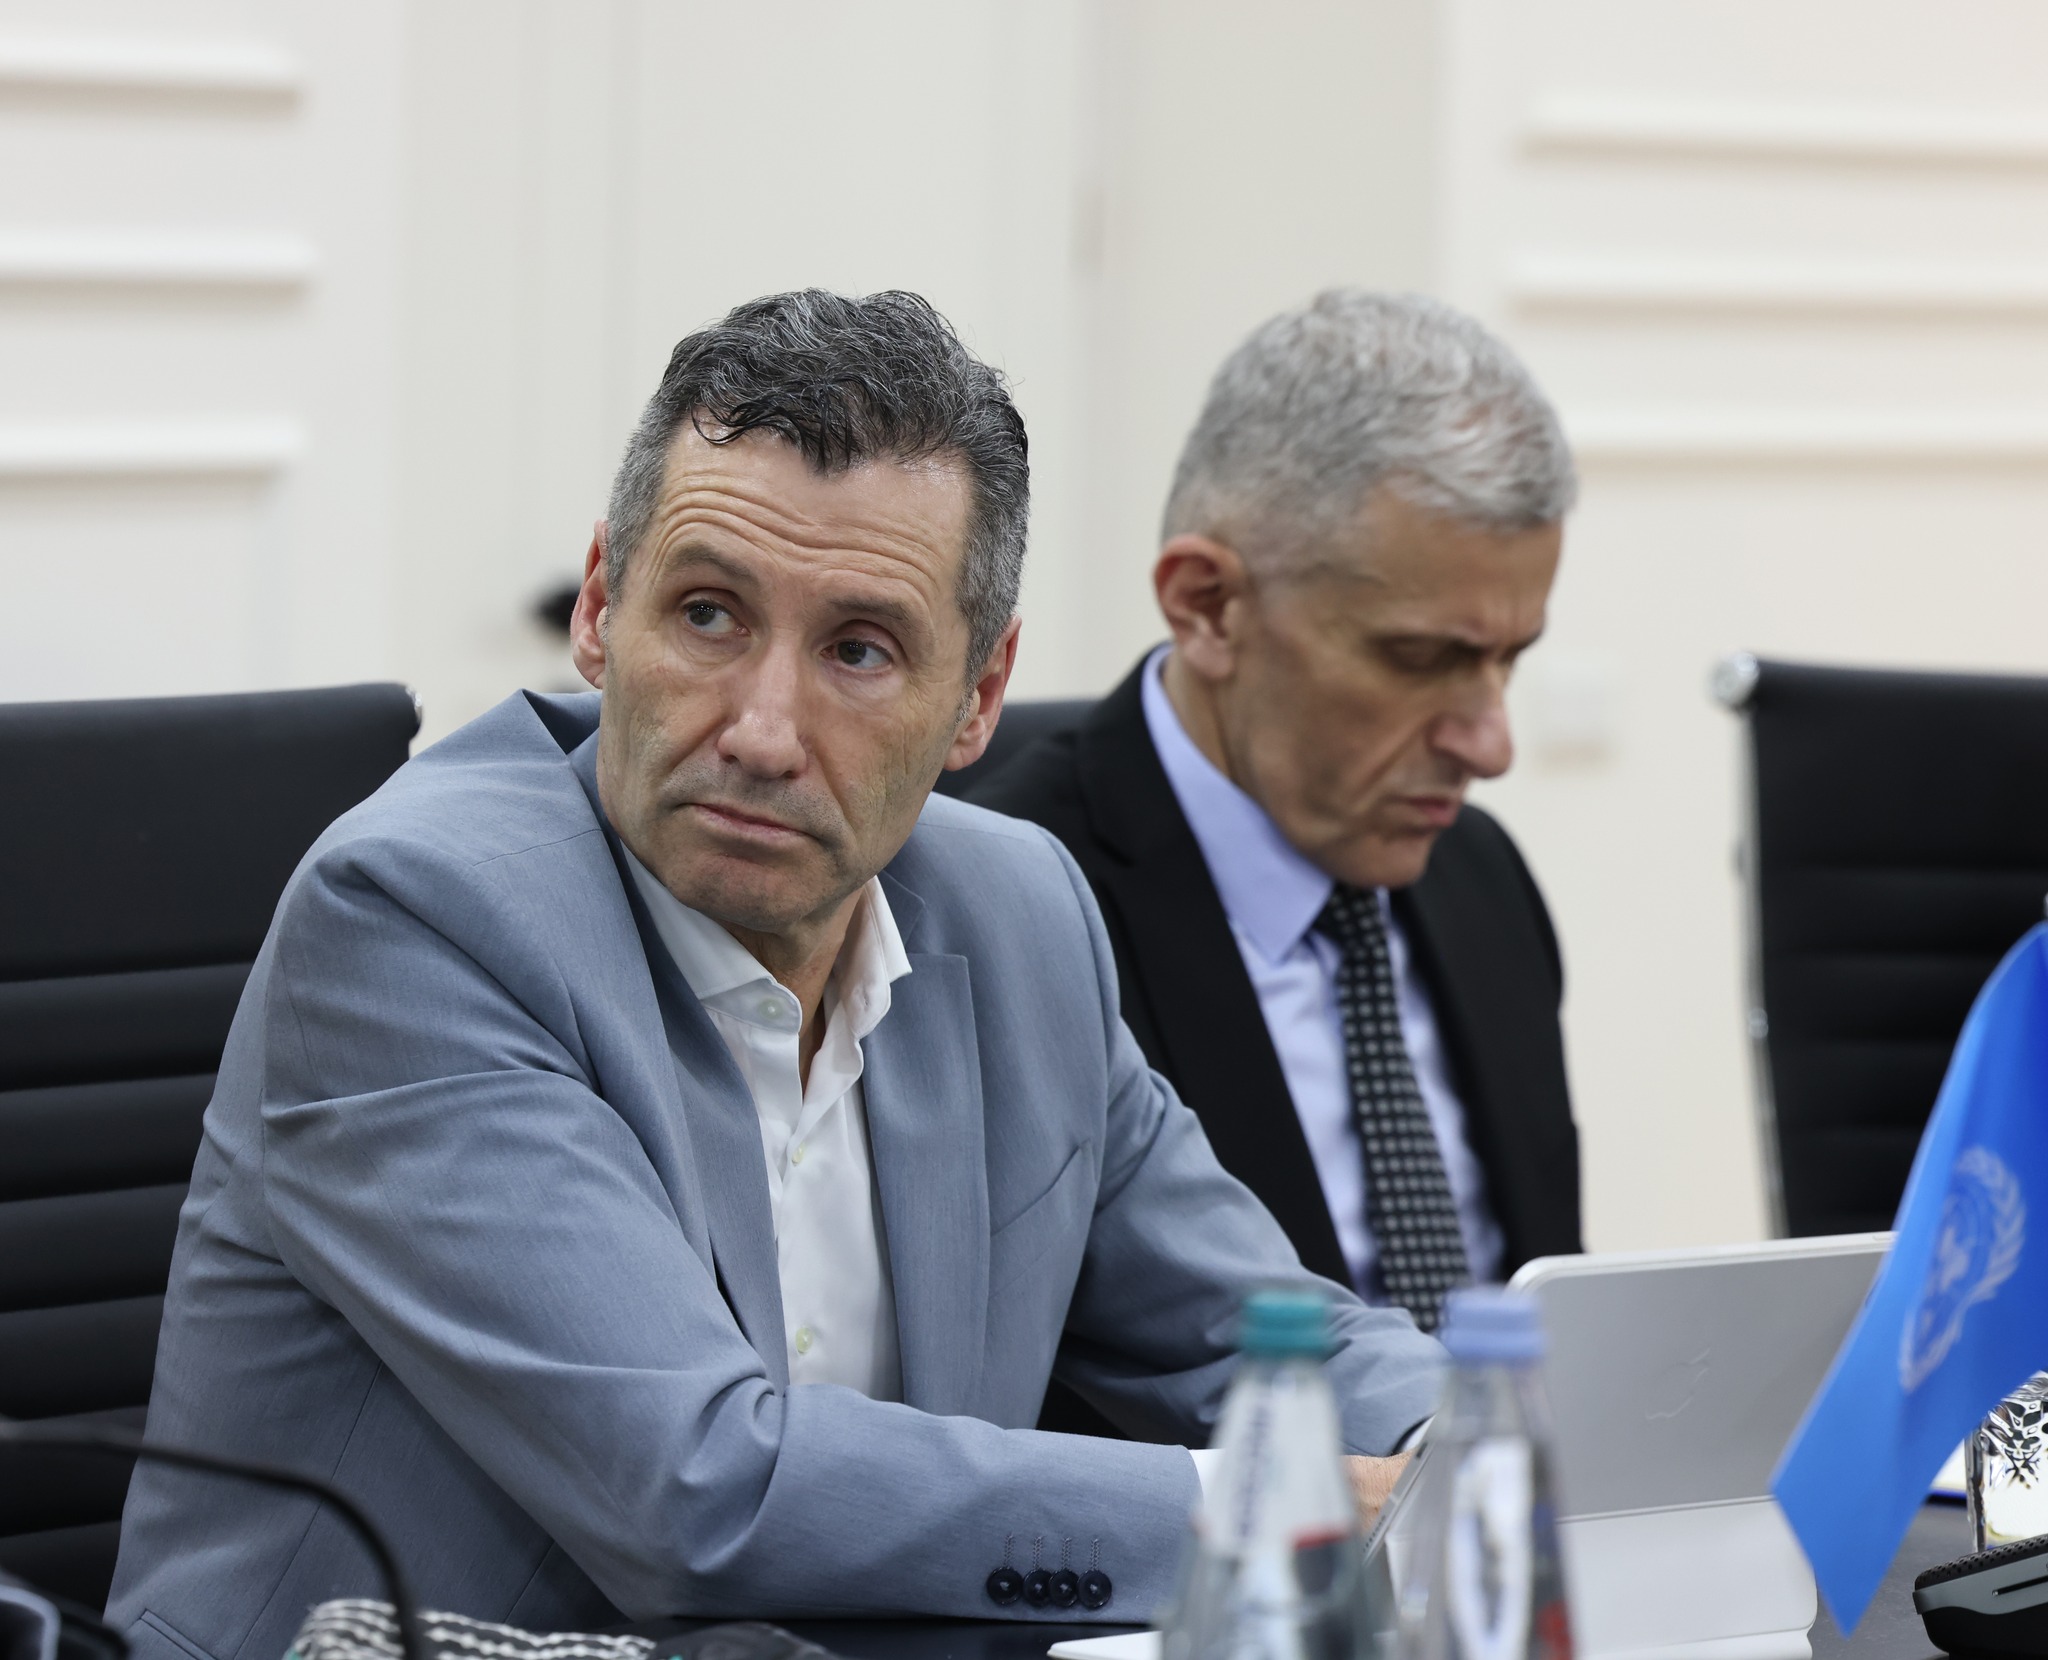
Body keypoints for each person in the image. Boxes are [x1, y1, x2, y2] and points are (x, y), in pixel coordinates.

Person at [106, 290, 1443, 1660]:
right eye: (707, 614)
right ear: (600, 608)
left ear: (979, 695)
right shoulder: (416, 919)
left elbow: (1257, 1336)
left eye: (858, 649)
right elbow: (694, 1486)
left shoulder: (1021, 915)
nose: (759, 730)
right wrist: (1276, 1510)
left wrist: (1479, 1451)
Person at [973, 292, 1582, 1384]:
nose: (1490, 744)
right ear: (1207, 605)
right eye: (1419, 659)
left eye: (1508, 660)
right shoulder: (1000, 909)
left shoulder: (1481, 879)